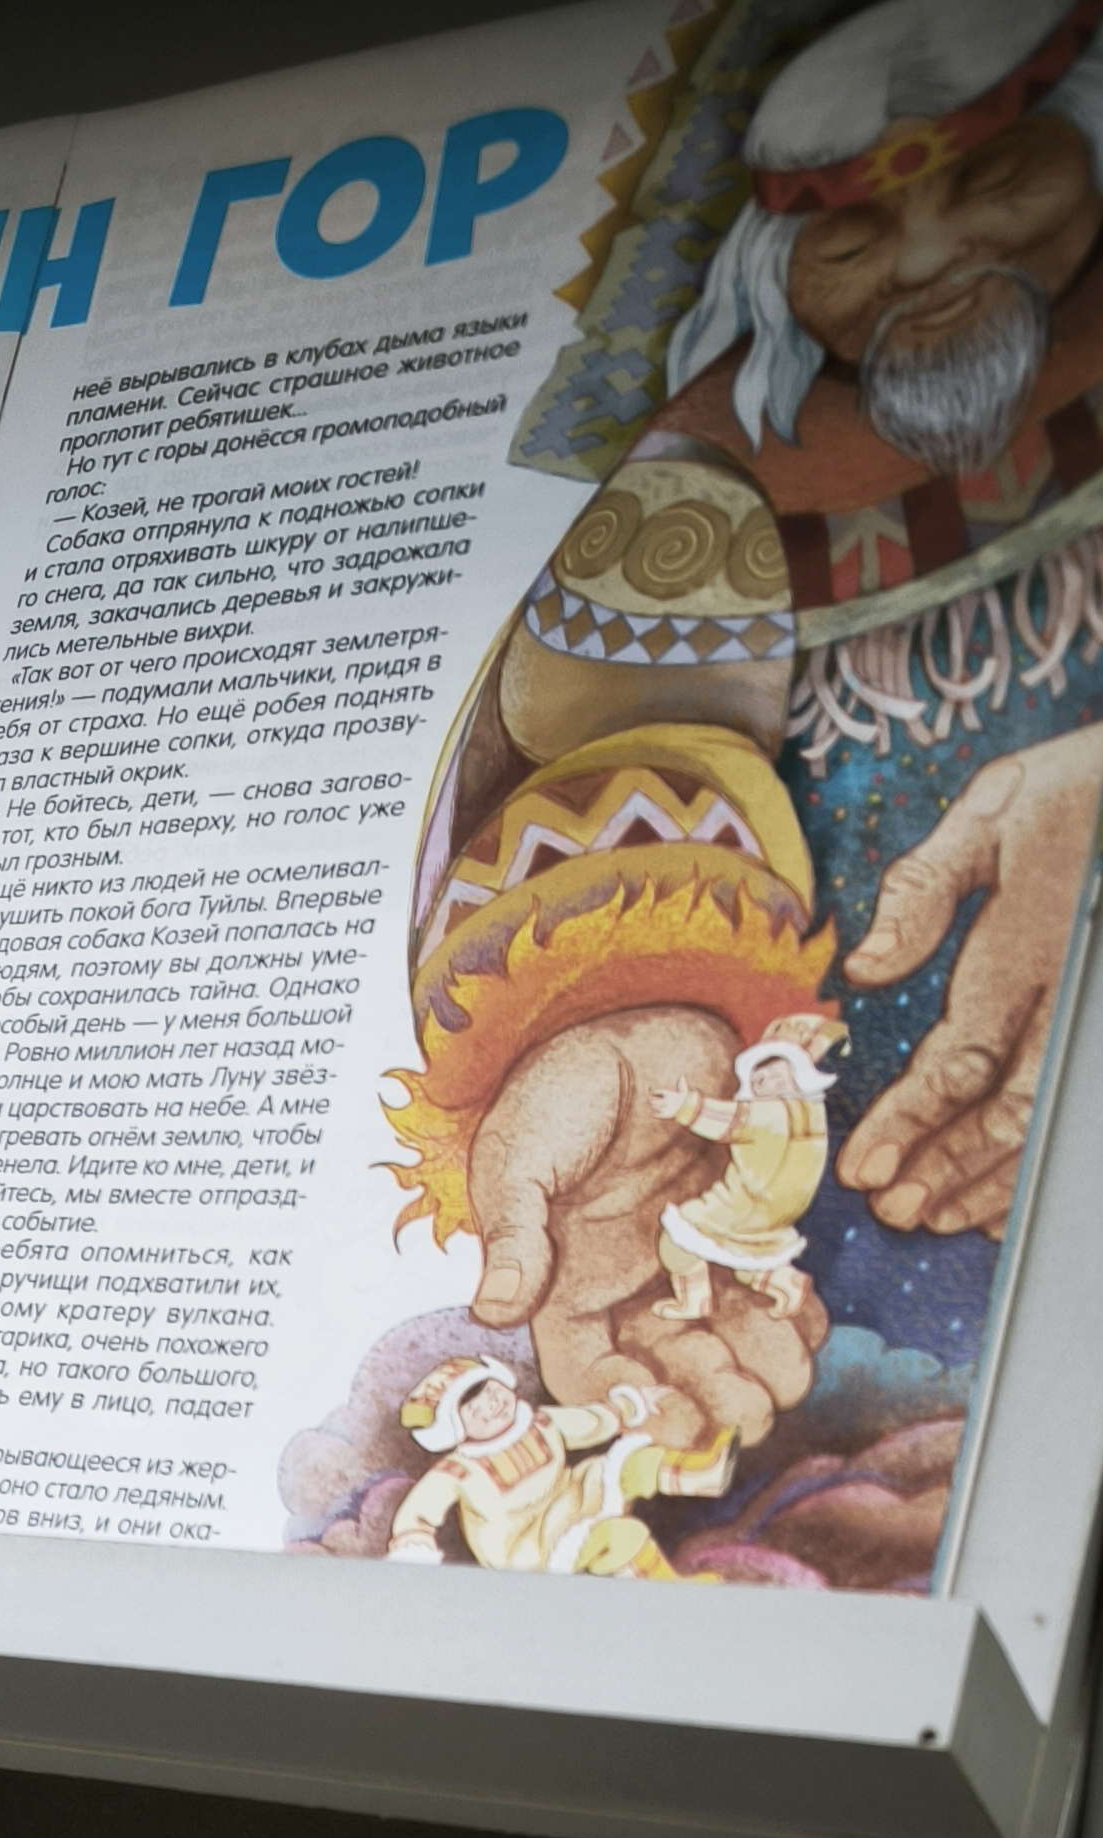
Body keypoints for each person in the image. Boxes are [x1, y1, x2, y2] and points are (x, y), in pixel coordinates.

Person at [380, 0, 1103, 1503]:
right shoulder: (709, 491)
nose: (928, 260)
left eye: (996, 180)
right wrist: (618, 1021)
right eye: (851, 239)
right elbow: (589, 761)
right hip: (840, 1221)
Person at [387, 1357, 736, 1578]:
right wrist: (413, 1548)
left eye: (491, 1392)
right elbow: (418, 1513)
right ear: (455, 1428)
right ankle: (670, 1594)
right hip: (531, 1548)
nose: (492, 1406)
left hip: (573, 1496)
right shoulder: (460, 1470)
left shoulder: (538, 1422)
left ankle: (705, 1476)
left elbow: (590, 1423)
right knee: (621, 1537)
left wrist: (629, 1408)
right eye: (475, 1409)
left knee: (632, 1461)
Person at [654, 1011, 849, 1322]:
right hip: (782, 1210)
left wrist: (685, 1106)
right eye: (761, 1075)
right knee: (751, 1257)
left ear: (798, 1076)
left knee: (678, 1237)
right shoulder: (812, 1112)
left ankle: (694, 1302)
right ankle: (786, 1282)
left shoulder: (768, 1115)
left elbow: (729, 1120)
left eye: (777, 1076)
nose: (766, 1080)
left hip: (746, 1203)